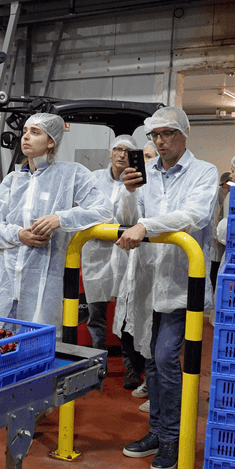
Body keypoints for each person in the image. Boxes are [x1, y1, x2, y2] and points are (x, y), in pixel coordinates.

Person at [116, 106, 218, 469]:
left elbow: (195, 215)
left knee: (163, 359)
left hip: (180, 284)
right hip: (147, 280)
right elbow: (128, 218)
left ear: (184, 134)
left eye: (168, 133)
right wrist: (128, 192)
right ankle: (156, 432)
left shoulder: (203, 172)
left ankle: (174, 439)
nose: (160, 141)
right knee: (150, 361)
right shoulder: (147, 175)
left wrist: (145, 226)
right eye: (155, 135)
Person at [0, 112, 113, 327]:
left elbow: (103, 209)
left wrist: (60, 218)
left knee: (37, 340)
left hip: (44, 281)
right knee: (2, 341)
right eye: (25, 131)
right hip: (6, 282)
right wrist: (18, 235)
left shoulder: (71, 174)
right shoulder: (12, 180)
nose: (26, 137)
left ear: (51, 141)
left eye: (35, 132)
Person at [82, 135, 142, 389]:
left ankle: (131, 368)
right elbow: (84, 210)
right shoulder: (93, 179)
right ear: (110, 152)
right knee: (96, 316)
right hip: (96, 254)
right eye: (117, 149)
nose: (121, 155)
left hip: (126, 255)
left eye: (127, 151)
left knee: (127, 316)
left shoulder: (137, 183)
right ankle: (98, 367)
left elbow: (133, 217)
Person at [209, 171, 233, 291]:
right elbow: (215, 216)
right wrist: (216, 236)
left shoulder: (229, 194)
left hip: (223, 236)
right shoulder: (220, 194)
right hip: (217, 238)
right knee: (215, 265)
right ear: (224, 182)